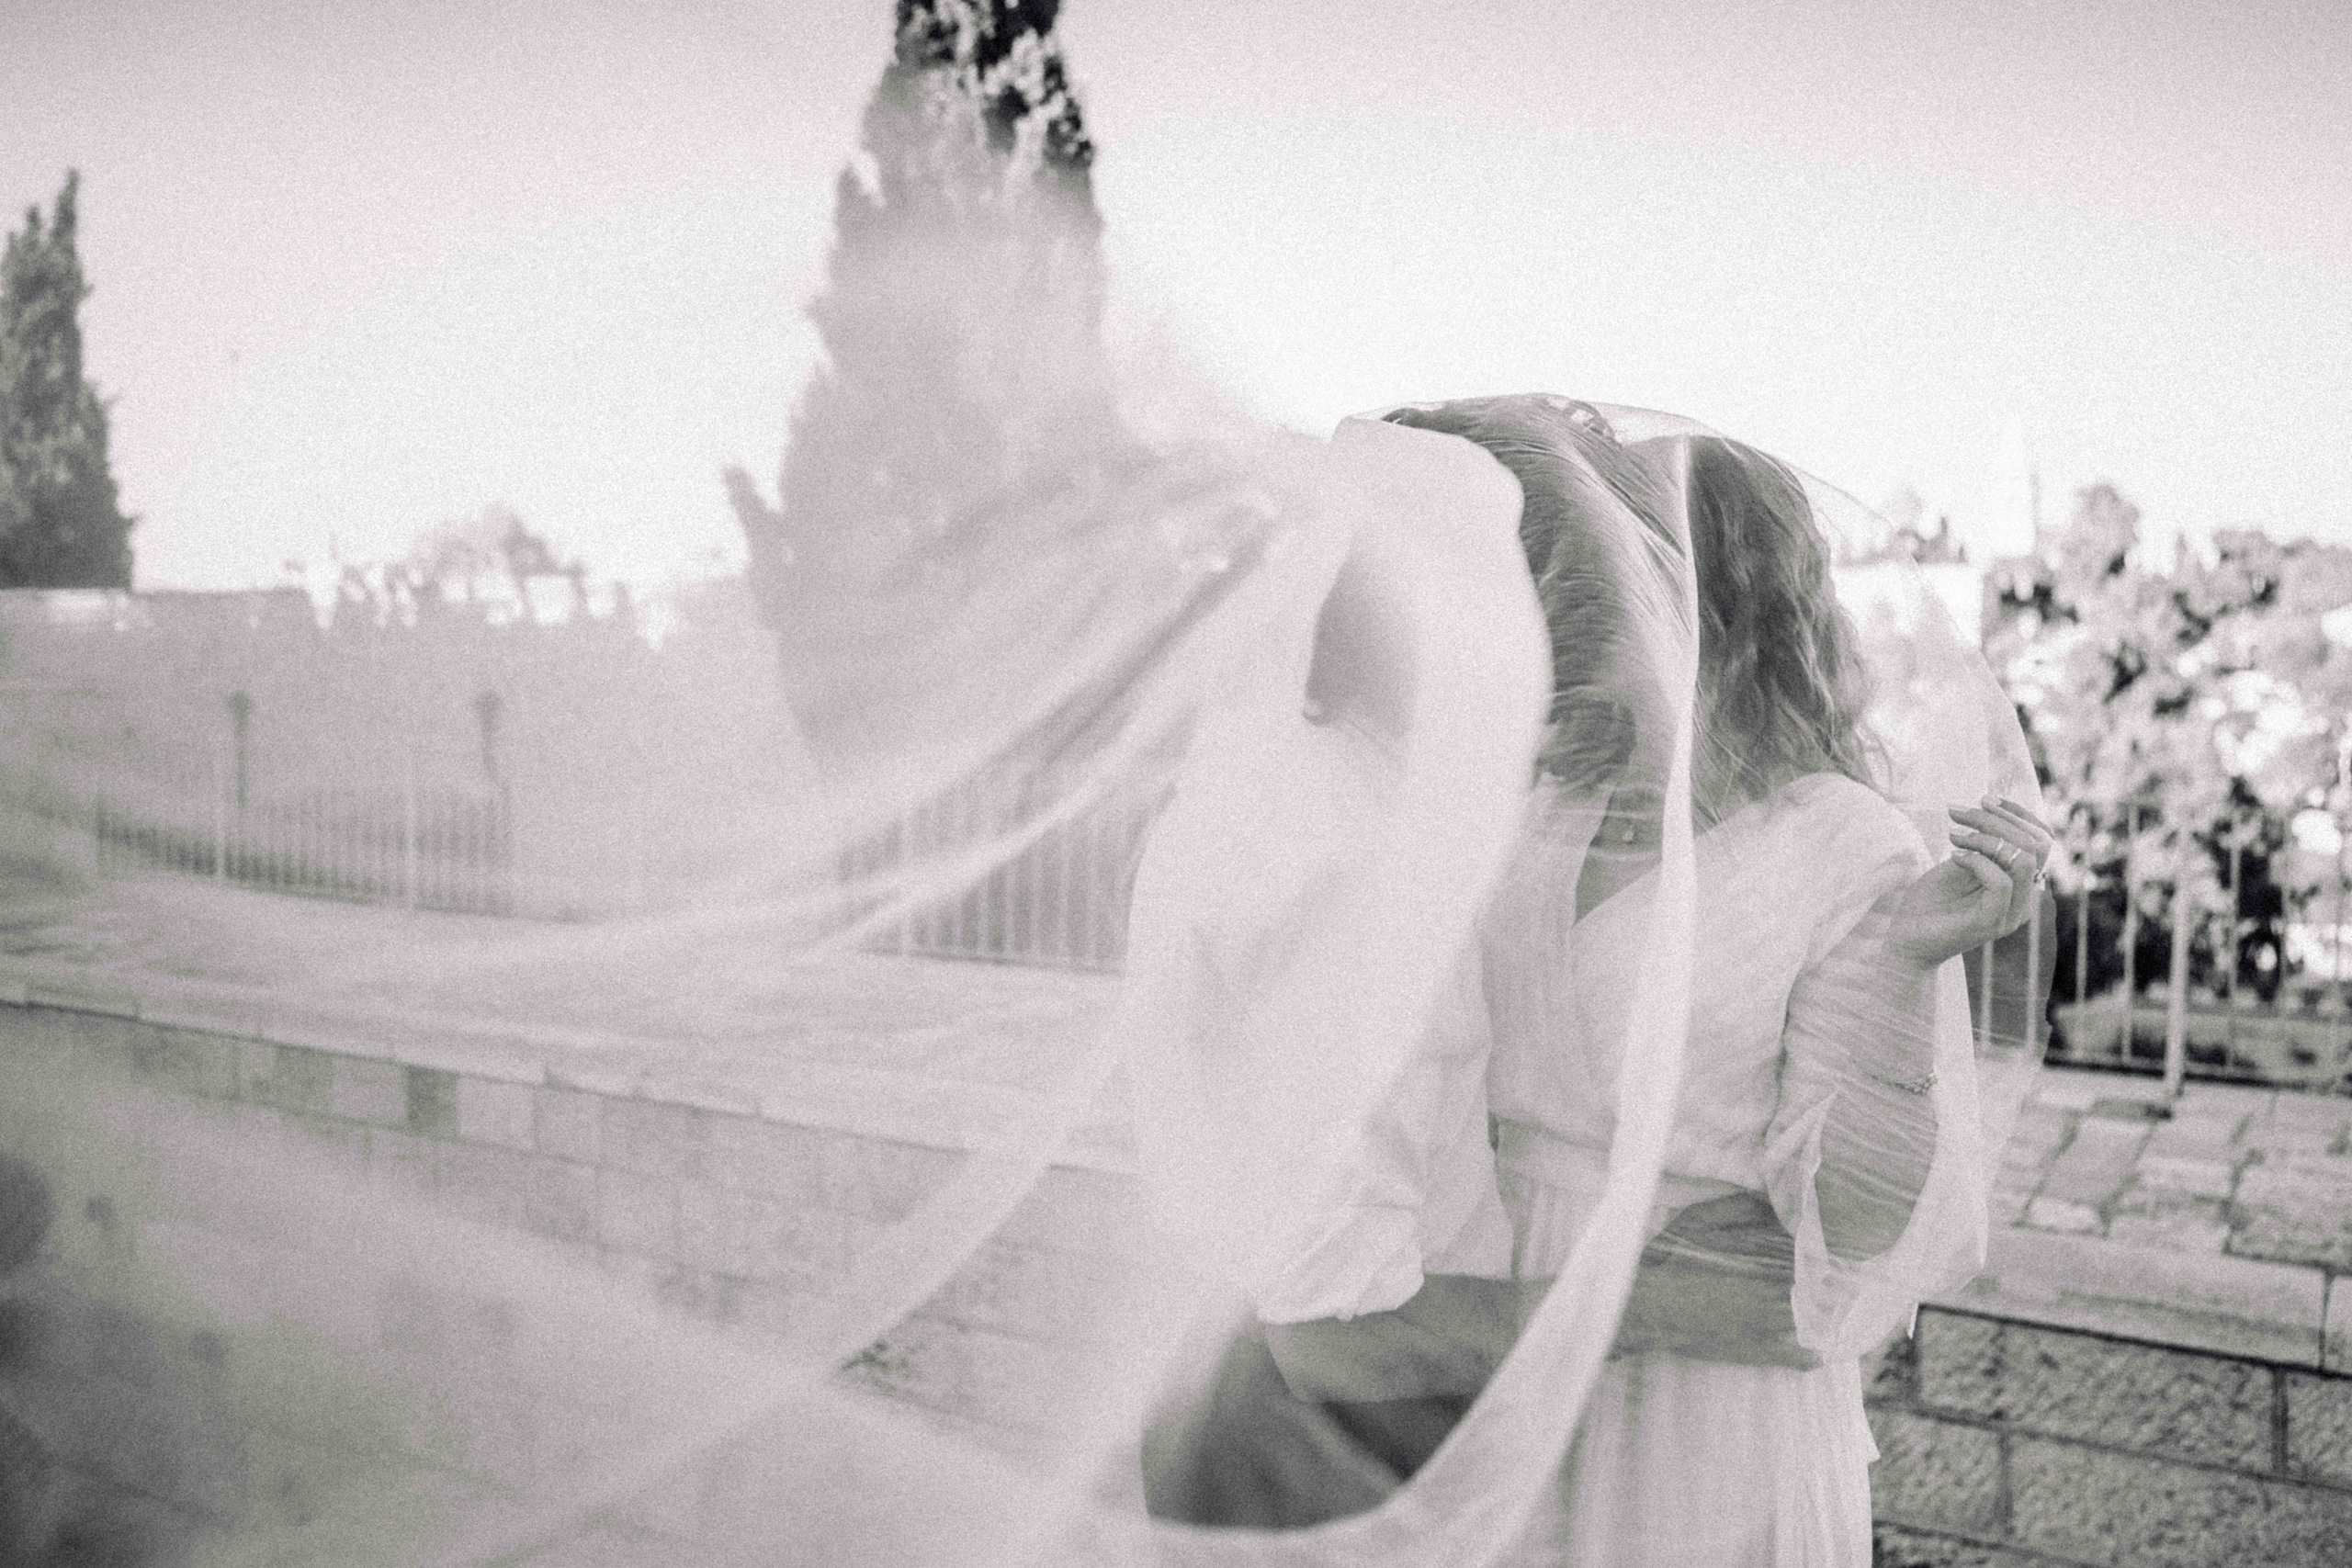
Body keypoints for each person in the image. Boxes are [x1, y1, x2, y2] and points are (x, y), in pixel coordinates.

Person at [1140, 395, 2051, 1566]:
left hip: (1708, 1398)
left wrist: (1910, 964)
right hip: (1491, 1347)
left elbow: (1852, 1223)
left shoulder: (1840, 840)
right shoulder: (1532, 799)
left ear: (1700, 595)